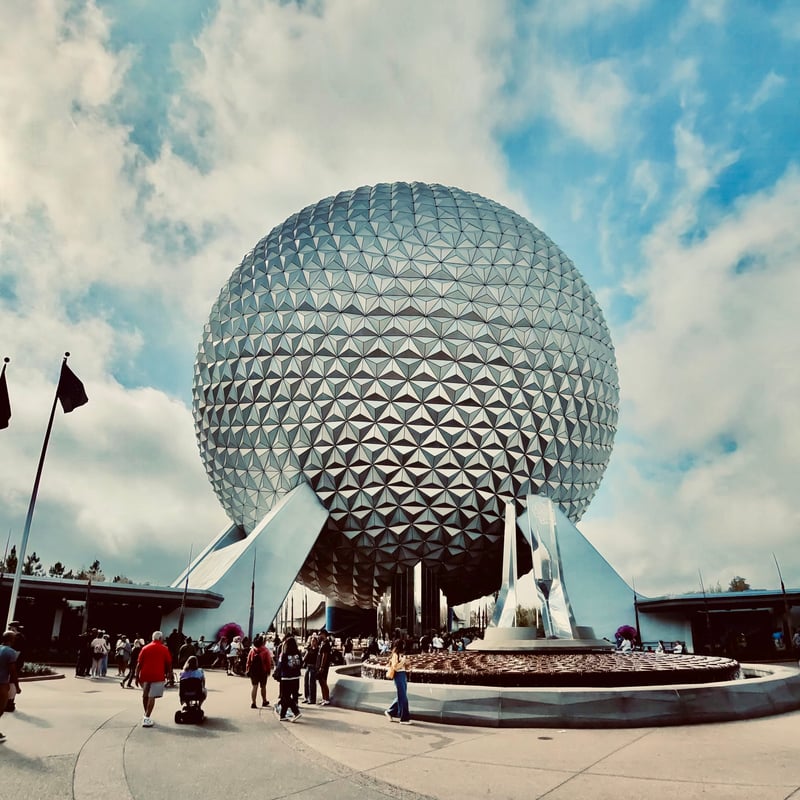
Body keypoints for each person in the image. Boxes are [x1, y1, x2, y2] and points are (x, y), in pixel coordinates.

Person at [135, 630, 172, 728]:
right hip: (158, 675)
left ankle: (146, 714)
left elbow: (139, 663)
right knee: (152, 696)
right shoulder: (164, 648)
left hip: (145, 675)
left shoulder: (145, 648)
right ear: (160, 638)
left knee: (145, 695)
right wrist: (169, 674)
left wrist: (136, 676)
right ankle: (147, 717)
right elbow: (168, 663)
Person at [275, 635, 303, 722]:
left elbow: (280, 665)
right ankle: (282, 715)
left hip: (286, 677)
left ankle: (296, 712)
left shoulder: (284, 654)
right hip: (295, 677)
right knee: (286, 697)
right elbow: (301, 664)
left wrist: (277, 673)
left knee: (285, 696)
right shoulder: (298, 653)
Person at [384, 638, 411, 724]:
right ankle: (404, 718)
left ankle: (390, 712)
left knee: (401, 696)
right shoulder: (395, 655)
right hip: (398, 675)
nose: (404, 645)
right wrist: (403, 661)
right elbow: (395, 667)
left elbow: (402, 666)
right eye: (402, 644)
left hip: (403, 675)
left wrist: (407, 663)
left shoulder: (401, 654)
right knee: (403, 697)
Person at [0, 630, 21, 742]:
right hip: (2, 684)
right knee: (1, 709)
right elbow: (12, 671)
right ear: (11, 640)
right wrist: (17, 686)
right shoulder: (11, 652)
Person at [245, 634, 273, 709]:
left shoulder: (252, 650)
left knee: (254, 686)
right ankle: (264, 701)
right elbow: (268, 662)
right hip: (263, 671)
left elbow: (248, 661)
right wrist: (268, 671)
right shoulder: (265, 650)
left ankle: (253, 702)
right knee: (263, 686)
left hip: (253, 671)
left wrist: (247, 669)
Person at [316, 629, 332, 706]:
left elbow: (324, 656)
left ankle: (327, 699)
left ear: (324, 634)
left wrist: (322, 666)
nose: (319, 636)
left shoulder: (326, 644)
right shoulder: (322, 643)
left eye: (320, 634)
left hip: (324, 666)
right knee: (320, 682)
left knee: (323, 681)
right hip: (320, 665)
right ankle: (323, 698)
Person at [302, 635, 319, 704]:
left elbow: (318, 659)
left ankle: (312, 699)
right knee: (306, 683)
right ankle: (306, 697)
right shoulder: (309, 649)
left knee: (311, 683)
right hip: (308, 666)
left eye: (314, 641)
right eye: (311, 641)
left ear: (316, 642)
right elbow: (305, 658)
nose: (312, 642)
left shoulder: (318, 650)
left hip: (313, 667)